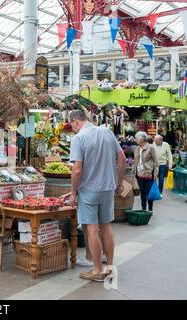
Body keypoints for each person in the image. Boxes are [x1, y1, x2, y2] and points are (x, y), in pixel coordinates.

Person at [68, 110, 126, 282]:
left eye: (71, 125)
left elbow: (77, 170)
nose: (72, 128)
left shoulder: (78, 139)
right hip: (108, 189)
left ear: (76, 121)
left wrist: (73, 192)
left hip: (89, 191)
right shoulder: (107, 132)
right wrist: (119, 182)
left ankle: (97, 270)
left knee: (92, 230)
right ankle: (109, 266)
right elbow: (121, 158)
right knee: (106, 227)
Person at [132, 131, 159, 211]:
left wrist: (155, 173)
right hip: (139, 174)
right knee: (142, 193)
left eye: (137, 138)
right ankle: (143, 209)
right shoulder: (136, 148)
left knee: (149, 193)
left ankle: (150, 210)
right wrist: (134, 173)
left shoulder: (150, 147)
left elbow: (156, 161)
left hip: (148, 174)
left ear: (142, 139)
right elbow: (135, 161)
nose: (135, 139)